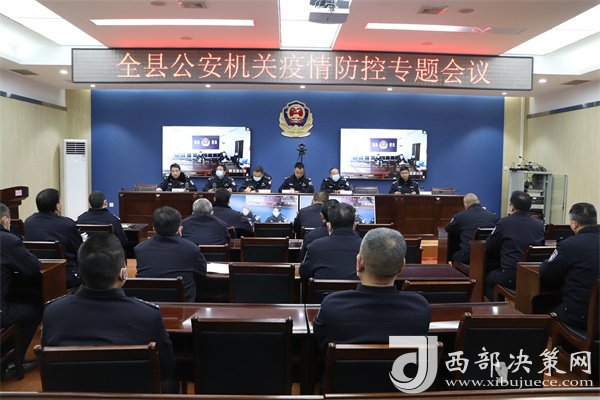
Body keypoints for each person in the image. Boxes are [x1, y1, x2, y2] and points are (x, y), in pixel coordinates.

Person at [42, 232, 177, 393]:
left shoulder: (52, 312)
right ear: (123, 273)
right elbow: (166, 367)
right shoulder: (148, 315)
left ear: (81, 271)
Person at [313, 228, 431, 351]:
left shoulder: (332, 306)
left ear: (359, 262)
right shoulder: (420, 308)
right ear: (402, 266)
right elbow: (423, 355)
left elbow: (320, 345)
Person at [540, 203, 599, 330]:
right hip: (595, 315)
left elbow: (546, 273)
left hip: (579, 316)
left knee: (541, 305)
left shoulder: (569, 245)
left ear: (574, 223)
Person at [0, 203, 42, 377]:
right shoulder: (7, 240)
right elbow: (34, 267)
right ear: (5, 219)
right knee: (35, 309)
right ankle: (11, 362)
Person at [135, 207, 207, 302]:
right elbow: (202, 273)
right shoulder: (192, 248)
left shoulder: (140, 249)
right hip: (182, 306)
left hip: (148, 304)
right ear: (180, 229)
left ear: (153, 228)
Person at [485, 190, 544, 300]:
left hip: (510, 276)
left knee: (488, 279)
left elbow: (489, 245)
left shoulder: (504, 222)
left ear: (512, 207)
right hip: (531, 275)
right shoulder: (539, 225)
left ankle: (497, 307)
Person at [24, 188, 82, 288]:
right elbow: (78, 250)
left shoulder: (28, 222)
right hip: (65, 276)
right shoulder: (67, 224)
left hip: (36, 274)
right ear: (57, 206)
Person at [300, 202, 362, 281]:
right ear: (354, 225)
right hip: (356, 289)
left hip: (322, 290)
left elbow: (304, 274)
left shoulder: (314, 247)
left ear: (329, 225)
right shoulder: (365, 247)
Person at [445, 193, 497, 264]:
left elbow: (448, 229)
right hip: (488, 256)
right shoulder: (492, 216)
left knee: (454, 256)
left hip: (468, 256)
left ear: (465, 205)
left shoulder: (460, 216)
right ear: (478, 202)